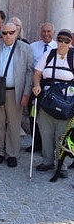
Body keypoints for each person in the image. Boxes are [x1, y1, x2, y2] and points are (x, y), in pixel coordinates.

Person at [0, 23, 33, 168]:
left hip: (16, 91)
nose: (8, 35)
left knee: (14, 124)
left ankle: (12, 153)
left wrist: (26, 93)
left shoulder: (25, 48)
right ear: (1, 33)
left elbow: (29, 72)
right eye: (5, 33)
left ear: (16, 32)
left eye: (11, 32)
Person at [33, 29, 74, 178]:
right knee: (46, 132)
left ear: (71, 42)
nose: (63, 43)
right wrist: (36, 85)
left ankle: (61, 165)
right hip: (47, 100)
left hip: (66, 102)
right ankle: (47, 161)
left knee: (62, 135)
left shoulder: (73, 56)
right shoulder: (48, 54)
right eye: (60, 39)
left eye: (66, 41)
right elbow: (37, 73)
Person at [26, 22, 57, 152]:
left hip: (52, 87)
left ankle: (49, 146)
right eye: (44, 31)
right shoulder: (33, 47)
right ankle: (36, 143)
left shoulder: (57, 46)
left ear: (53, 32)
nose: (46, 34)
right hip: (36, 85)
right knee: (33, 115)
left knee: (50, 115)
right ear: (40, 32)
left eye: (49, 31)